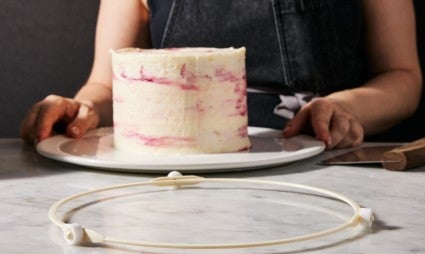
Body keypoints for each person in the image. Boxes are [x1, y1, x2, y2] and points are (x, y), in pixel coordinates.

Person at [20, 0, 422, 149]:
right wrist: (81, 109)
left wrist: (343, 107)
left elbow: (402, 75)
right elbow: (107, 85)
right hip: (180, 176)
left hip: (327, 163)